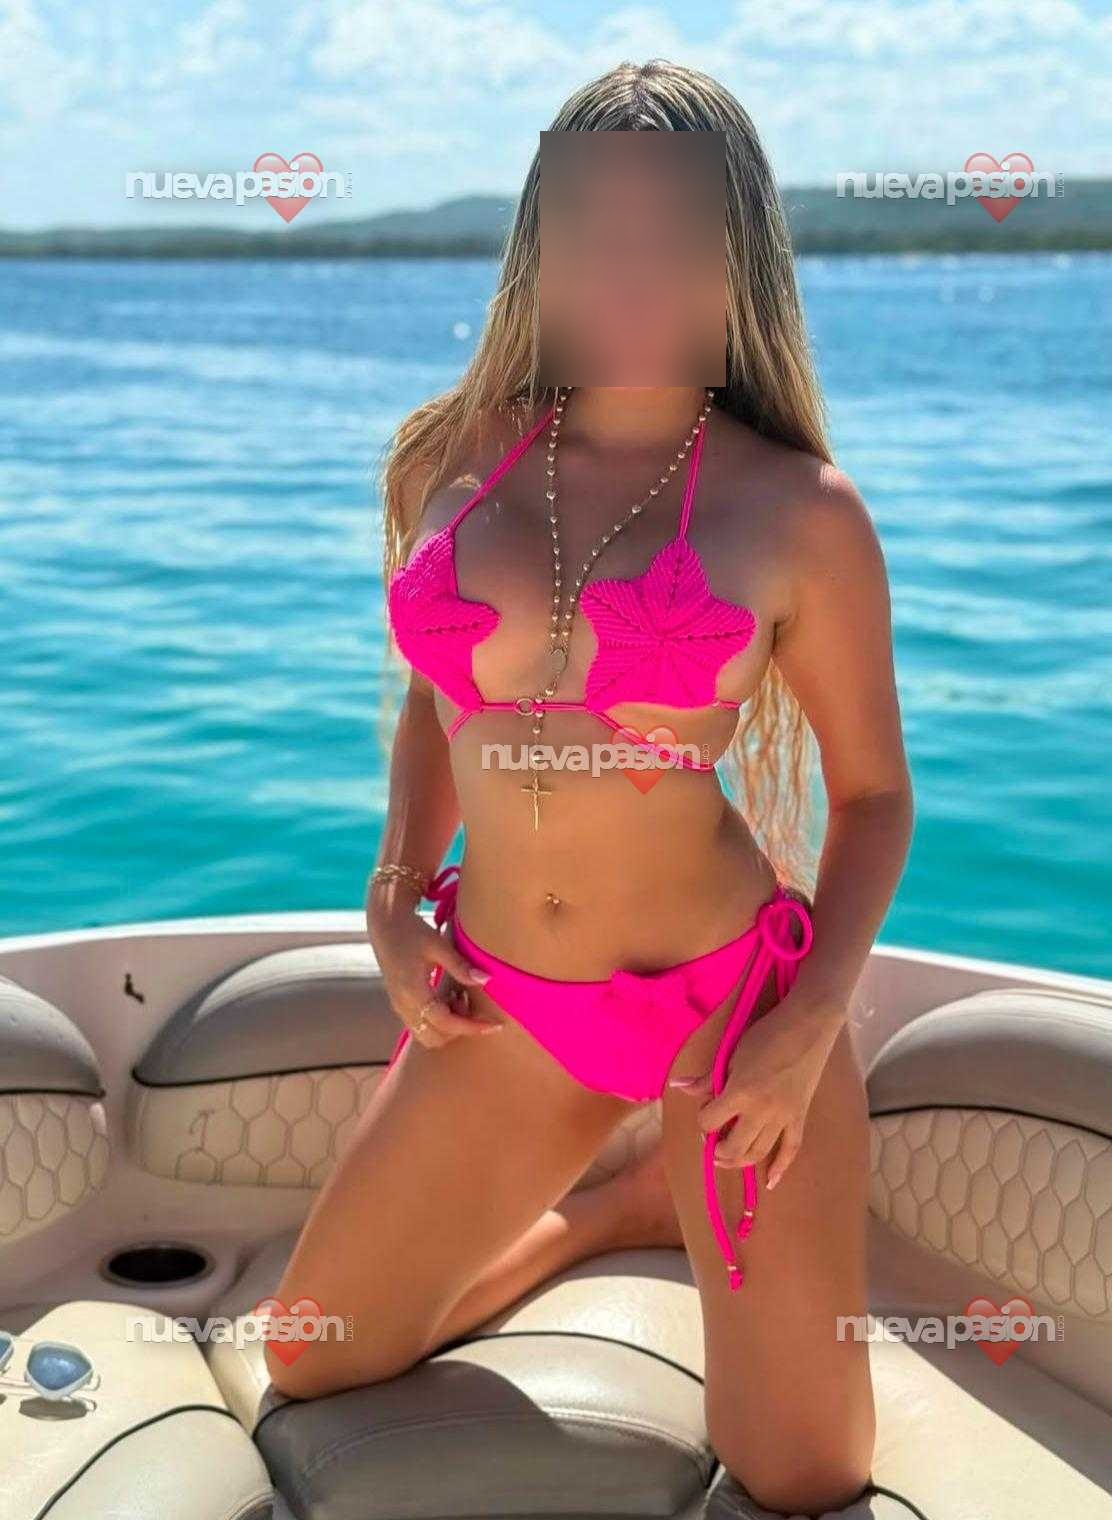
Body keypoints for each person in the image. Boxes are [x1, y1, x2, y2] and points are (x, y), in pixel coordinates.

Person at [266, 58, 913, 1519]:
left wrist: (807, 1031)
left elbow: (875, 799)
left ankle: (656, 1184)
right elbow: (440, 700)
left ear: (738, 257)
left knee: (802, 1471)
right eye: (592, 228)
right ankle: (610, 1213)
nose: (630, 267)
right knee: (308, 1353)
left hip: (727, 1015)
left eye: (672, 231)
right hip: (504, 1003)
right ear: (536, 245)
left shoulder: (799, 513)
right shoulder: (451, 458)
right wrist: (391, 893)